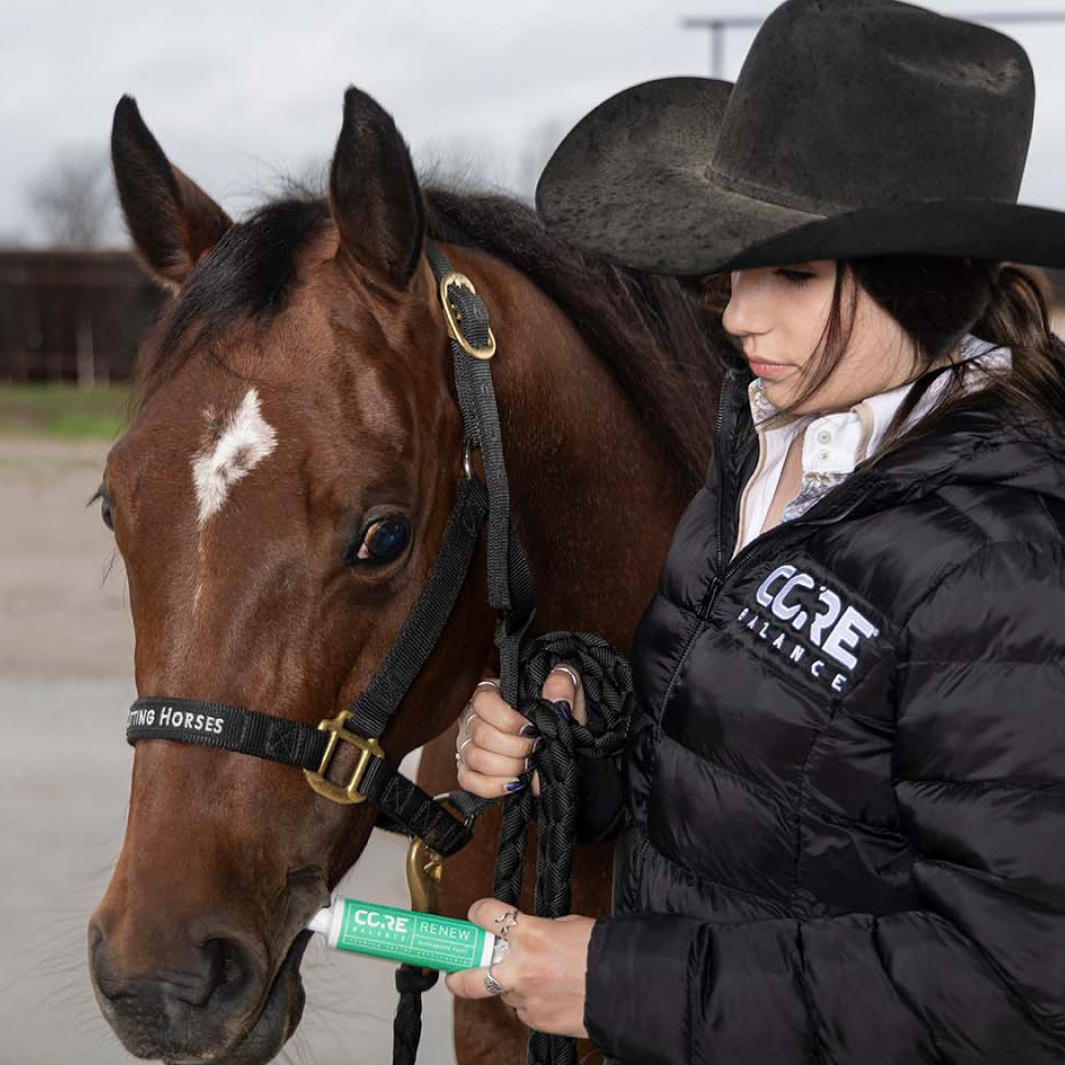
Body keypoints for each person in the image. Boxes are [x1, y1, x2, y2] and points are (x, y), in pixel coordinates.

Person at [446, 1, 1065, 1061]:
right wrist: (572, 749)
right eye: (733, 269)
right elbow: (744, 786)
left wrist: (616, 983)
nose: (736, 317)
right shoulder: (761, 445)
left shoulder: (1005, 562)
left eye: (794, 272)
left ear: (917, 278)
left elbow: (1011, 987)